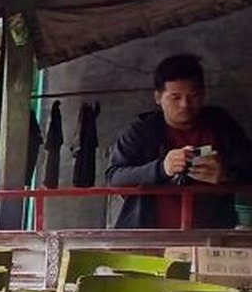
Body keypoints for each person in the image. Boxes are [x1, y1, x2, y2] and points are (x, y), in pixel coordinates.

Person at [106, 54, 252, 228]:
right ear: (158, 98)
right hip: (150, 236)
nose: (185, 105)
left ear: (204, 94)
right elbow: (115, 177)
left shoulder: (220, 123)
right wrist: (161, 168)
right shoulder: (143, 130)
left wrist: (226, 173)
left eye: (194, 96)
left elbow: (248, 166)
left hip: (210, 235)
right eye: (175, 97)